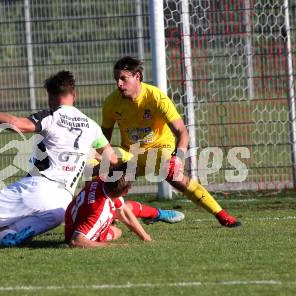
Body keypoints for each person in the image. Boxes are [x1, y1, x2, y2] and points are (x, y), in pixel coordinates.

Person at [0, 70, 118, 249]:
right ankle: (12, 238)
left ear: (50, 97)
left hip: (38, 186)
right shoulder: (92, 126)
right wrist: (85, 162)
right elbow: (111, 159)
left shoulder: (51, 116)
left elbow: (16, 124)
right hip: (61, 206)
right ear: (74, 95)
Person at [101, 56, 242, 227]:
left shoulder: (156, 97)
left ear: (137, 76)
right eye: (116, 79)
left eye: (123, 78)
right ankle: (106, 220)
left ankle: (222, 215)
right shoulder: (111, 103)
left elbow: (182, 132)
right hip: (132, 154)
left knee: (174, 175)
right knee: (99, 169)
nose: (119, 84)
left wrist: (179, 157)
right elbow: (103, 140)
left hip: (160, 149)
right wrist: (103, 163)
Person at [65, 164, 152, 248]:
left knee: (121, 208)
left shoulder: (101, 180)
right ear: (126, 192)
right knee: (117, 232)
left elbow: (123, 212)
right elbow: (75, 241)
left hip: (73, 220)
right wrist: (115, 246)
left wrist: (145, 237)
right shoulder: (101, 211)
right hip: (76, 232)